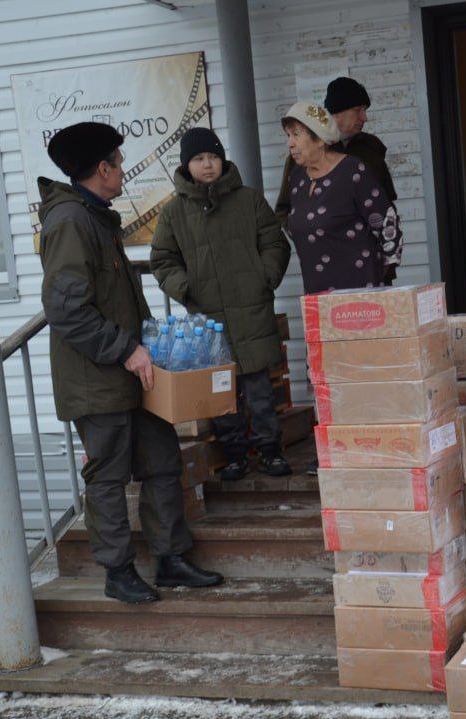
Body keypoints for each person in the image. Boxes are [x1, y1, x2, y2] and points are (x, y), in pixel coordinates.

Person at [38, 122, 222, 604]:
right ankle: (117, 571)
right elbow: (66, 309)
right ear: (102, 169)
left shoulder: (96, 216)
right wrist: (124, 348)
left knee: (162, 460)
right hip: (97, 379)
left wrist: (149, 348)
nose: (123, 170)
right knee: (109, 477)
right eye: (118, 162)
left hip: (133, 373)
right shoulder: (71, 222)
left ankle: (170, 559)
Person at [150, 127, 294, 481]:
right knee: (221, 391)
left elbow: (275, 243)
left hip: (252, 309)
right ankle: (234, 455)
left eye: (213, 157)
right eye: (199, 159)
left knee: (259, 389)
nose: (208, 165)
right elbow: (163, 260)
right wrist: (185, 288)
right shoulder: (173, 213)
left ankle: (270, 451)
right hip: (208, 317)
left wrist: (265, 274)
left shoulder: (249, 200)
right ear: (187, 165)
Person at [275, 77, 399, 283]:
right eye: (358, 110)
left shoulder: (369, 152)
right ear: (339, 111)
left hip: (367, 273)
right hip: (321, 273)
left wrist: (384, 264)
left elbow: (386, 209)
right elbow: (284, 209)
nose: (364, 117)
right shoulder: (299, 164)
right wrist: (311, 231)